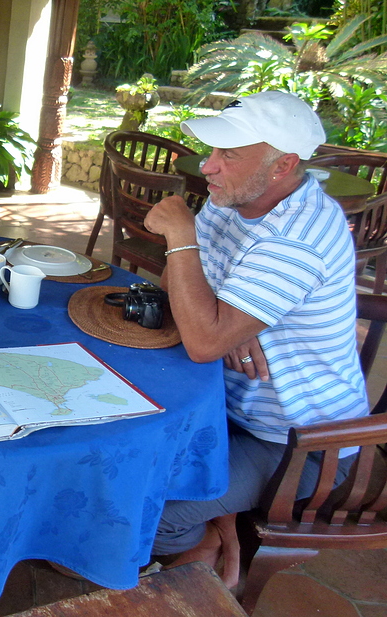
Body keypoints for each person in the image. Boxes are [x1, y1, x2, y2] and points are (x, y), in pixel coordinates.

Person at [142, 91, 369, 586]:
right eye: (214, 151)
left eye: (230, 155)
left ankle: (203, 543)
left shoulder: (297, 238)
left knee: (147, 512)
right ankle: (223, 521)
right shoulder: (235, 201)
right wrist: (226, 319)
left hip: (294, 443)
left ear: (283, 165)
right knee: (122, 456)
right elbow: (176, 289)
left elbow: (202, 340)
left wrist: (181, 240)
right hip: (225, 405)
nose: (208, 167)